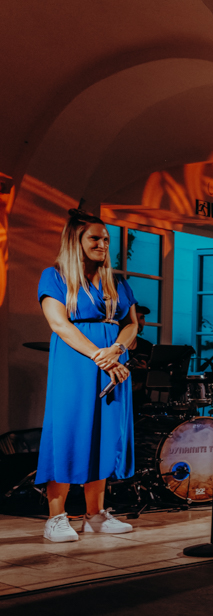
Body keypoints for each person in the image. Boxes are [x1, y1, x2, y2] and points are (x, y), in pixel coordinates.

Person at [37, 211, 138, 542]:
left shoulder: (117, 282)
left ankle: (95, 515)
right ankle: (56, 517)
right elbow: (59, 323)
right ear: (75, 241)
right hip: (77, 361)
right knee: (69, 431)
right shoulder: (55, 276)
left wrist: (117, 350)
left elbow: (132, 324)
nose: (103, 244)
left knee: (105, 434)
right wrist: (101, 357)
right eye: (95, 238)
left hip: (113, 361)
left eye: (106, 239)